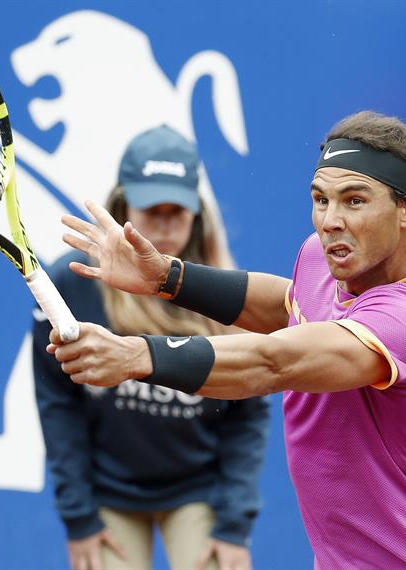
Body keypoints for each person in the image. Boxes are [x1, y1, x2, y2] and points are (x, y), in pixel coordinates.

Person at [48, 110, 406, 568]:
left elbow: (275, 362)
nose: (330, 221)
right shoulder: (321, 260)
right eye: (320, 200)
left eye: (354, 201)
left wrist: (136, 354)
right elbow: (288, 304)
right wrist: (168, 276)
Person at [32, 125, 270, 570]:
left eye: (176, 212)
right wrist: (80, 518)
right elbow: (58, 403)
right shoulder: (72, 284)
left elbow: (249, 415)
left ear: (198, 215)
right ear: (122, 206)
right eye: (150, 210)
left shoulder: (227, 297)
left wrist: (233, 525)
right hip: (108, 492)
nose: (163, 225)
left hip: (199, 489)